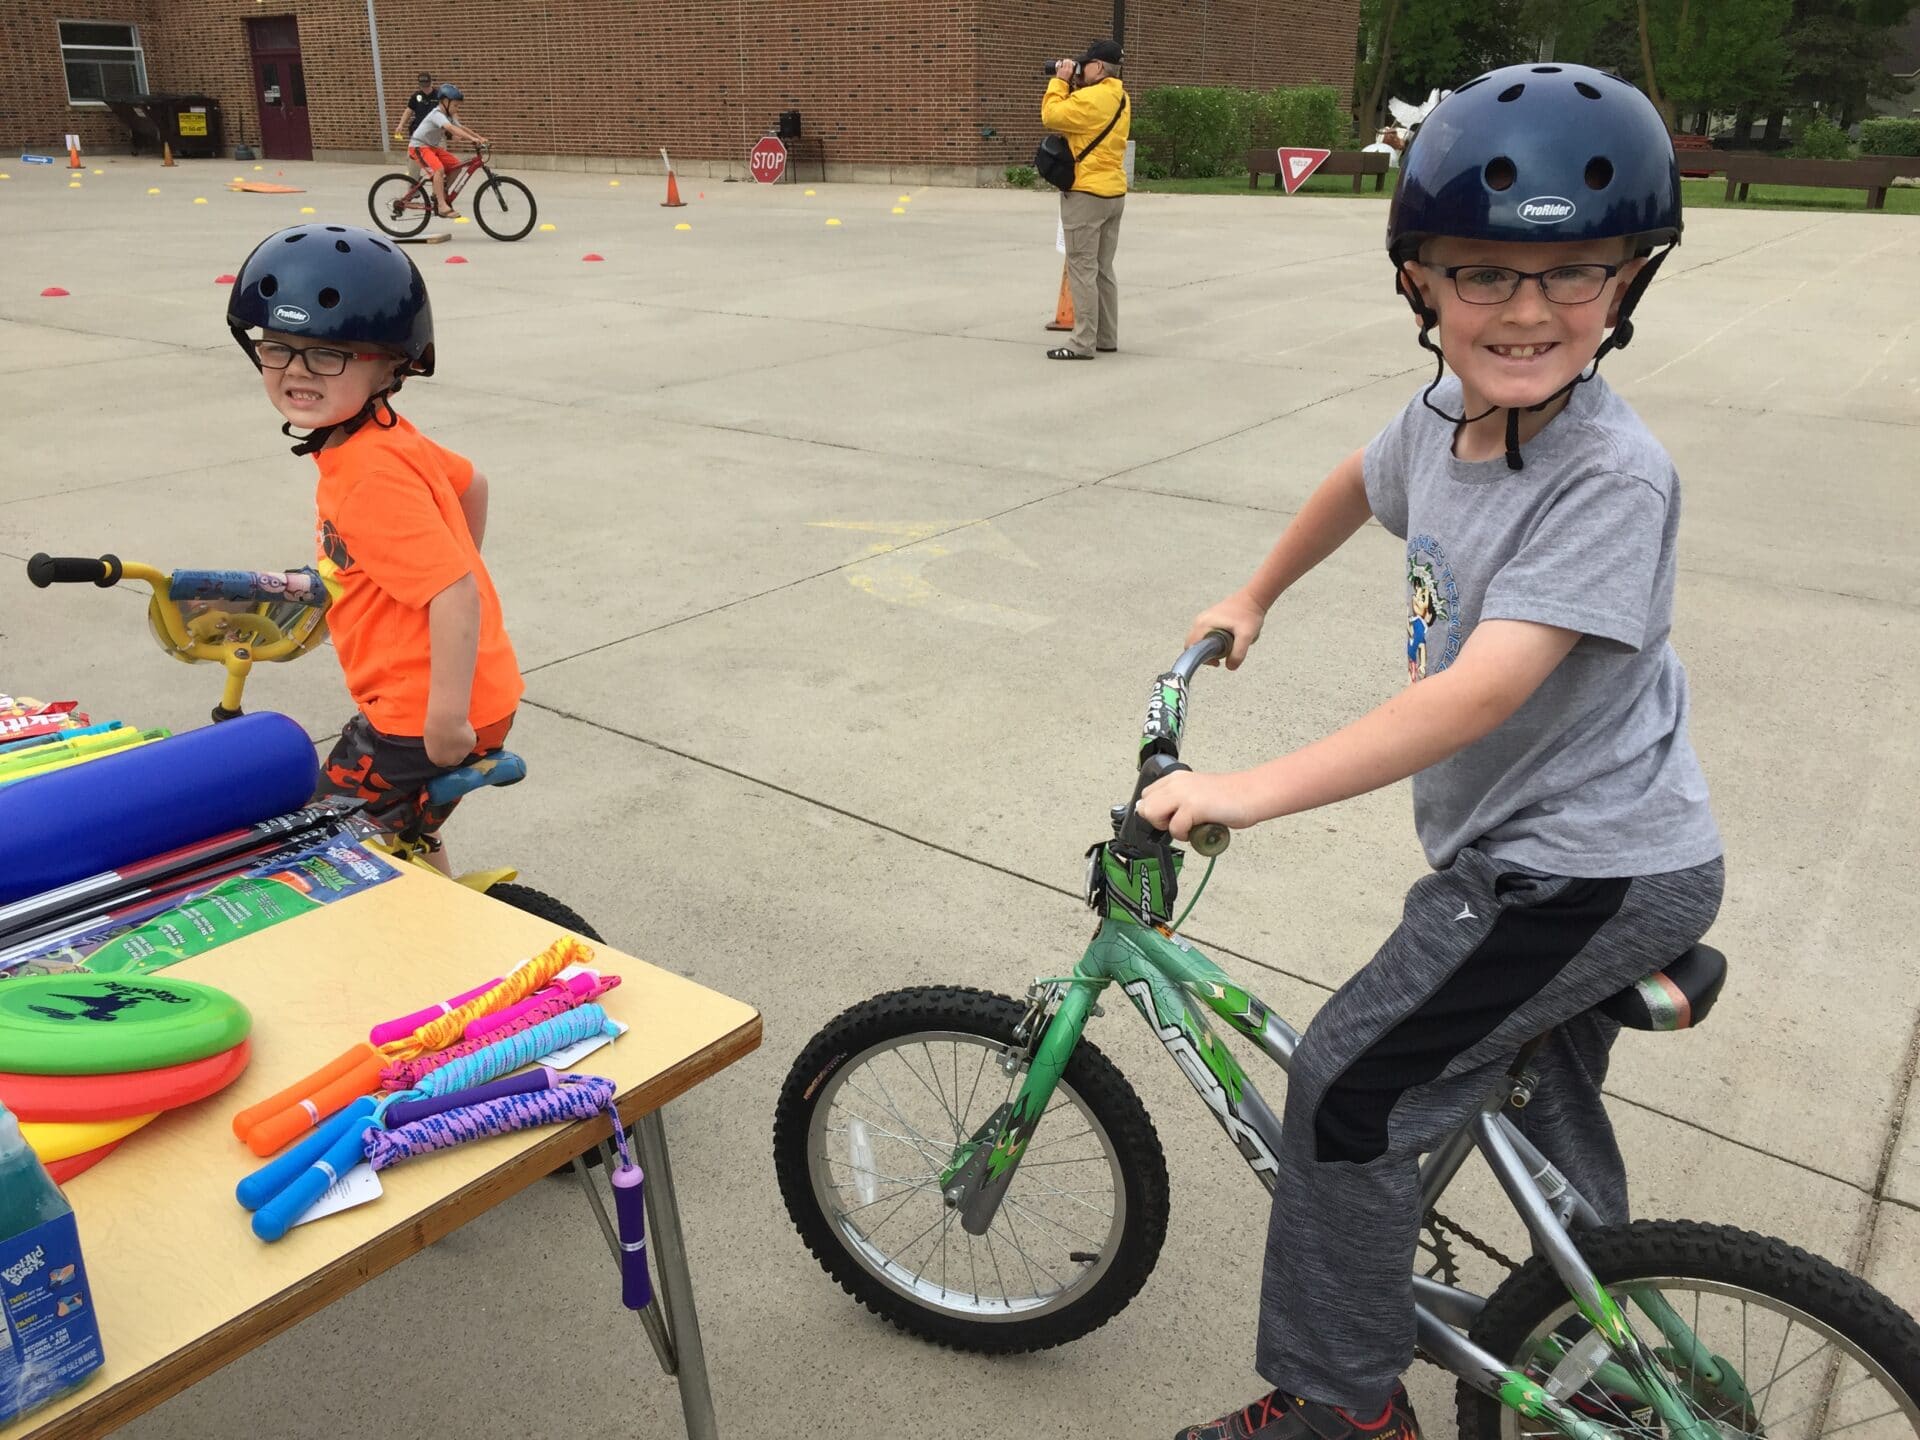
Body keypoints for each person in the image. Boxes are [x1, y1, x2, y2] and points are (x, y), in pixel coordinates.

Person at [1137, 64, 1723, 1440]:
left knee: (1348, 1084)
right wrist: (1256, 590)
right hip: (1594, 856)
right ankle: (1599, 1333)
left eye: (1573, 274)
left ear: (1630, 282)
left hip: (1575, 871)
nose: (1527, 311)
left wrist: (1244, 791)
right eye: (1482, 273)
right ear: (1419, 282)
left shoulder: (1609, 476)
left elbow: (1473, 696)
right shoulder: (1444, 421)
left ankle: (1342, 1410)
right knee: (1519, 1095)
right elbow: (1361, 478)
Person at [225, 224, 523, 874]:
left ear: (391, 364)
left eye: (329, 354)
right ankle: (436, 909)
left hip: (422, 719)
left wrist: (444, 719)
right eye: (278, 348)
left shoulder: (367, 477)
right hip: (463, 696)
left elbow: (451, 593)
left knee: (320, 847)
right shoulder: (383, 435)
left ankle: (416, 953)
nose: (297, 371)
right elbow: (473, 482)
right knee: (397, 828)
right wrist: (454, 563)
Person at [1041, 39, 1129, 360]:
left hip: (1087, 195)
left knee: (1081, 268)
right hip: (1113, 193)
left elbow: (1051, 115)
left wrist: (1060, 80)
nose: (1079, 67)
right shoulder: (1120, 97)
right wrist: (1075, 83)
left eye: (1084, 64)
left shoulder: (1090, 98)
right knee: (1103, 269)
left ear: (1099, 67)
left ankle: (1081, 342)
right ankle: (1106, 336)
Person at [409, 83, 487, 219]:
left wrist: (479, 138)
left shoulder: (449, 115)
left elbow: (461, 127)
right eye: (455, 105)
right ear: (445, 102)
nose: (457, 109)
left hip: (431, 147)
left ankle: (439, 193)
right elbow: (450, 129)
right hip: (419, 147)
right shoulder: (437, 114)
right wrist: (471, 139)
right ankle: (441, 205)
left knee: (456, 166)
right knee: (439, 170)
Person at [396, 72, 439, 177]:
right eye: (422, 85)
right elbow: (408, 110)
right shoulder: (416, 96)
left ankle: (437, 192)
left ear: (431, 82)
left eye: (427, 85)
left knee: (438, 166)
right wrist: (401, 124)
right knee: (413, 165)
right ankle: (413, 190)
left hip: (436, 134)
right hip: (419, 134)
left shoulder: (439, 96)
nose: (425, 88)